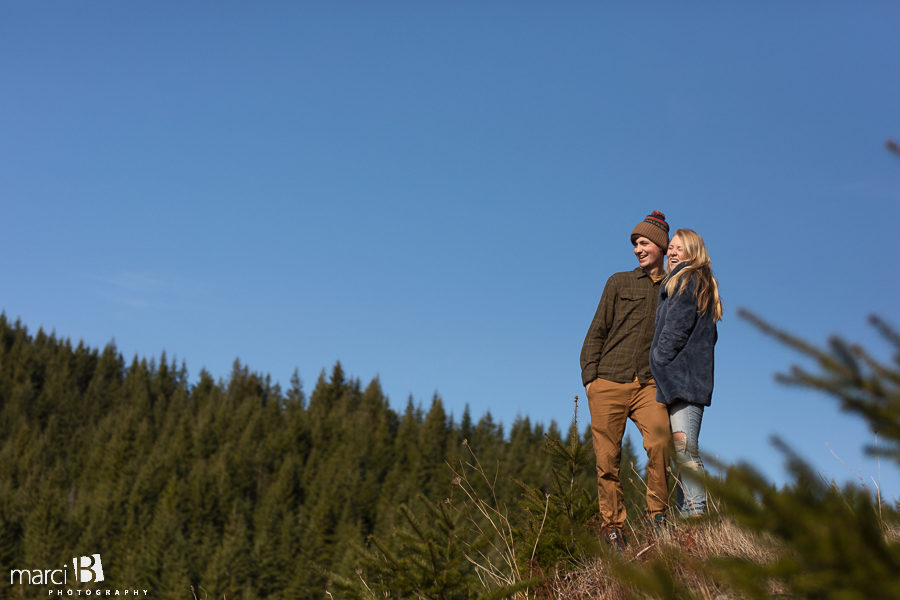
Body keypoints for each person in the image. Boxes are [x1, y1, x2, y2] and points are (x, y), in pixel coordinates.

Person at [580, 210, 672, 551]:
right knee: (607, 459)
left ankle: (657, 519)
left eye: (644, 242)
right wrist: (590, 378)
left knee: (659, 444)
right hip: (608, 380)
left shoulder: (674, 288)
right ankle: (613, 528)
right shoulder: (618, 282)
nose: (638, 249)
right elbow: (597, 331)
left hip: (649, 385)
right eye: (635, 244)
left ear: (661, 247)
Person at [649, 228, 723, 517]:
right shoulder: (694, 282)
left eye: (679, 248)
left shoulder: (687, 280)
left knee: (685, 450)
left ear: (693, 253)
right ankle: (688, 514)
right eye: (671, 249)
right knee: (682, 452)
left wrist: (657, 359)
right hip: (686, 382)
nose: (672, 253)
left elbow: (675, 331)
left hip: (683, 383)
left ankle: (695, 514)